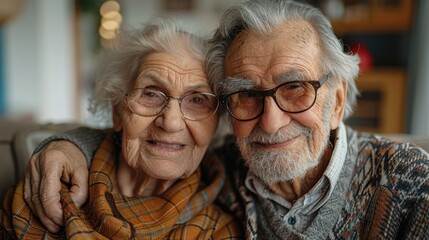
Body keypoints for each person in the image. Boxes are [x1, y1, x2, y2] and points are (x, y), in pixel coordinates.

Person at [19, 0, 429, 239]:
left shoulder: (410, 181)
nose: (269, 122)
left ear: (336, 101)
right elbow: (149, 139)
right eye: (246, 94)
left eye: (295, 88)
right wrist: (66, 145)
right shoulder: (227, 165)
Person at [0, 18, 242, 239]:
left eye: (197, 100)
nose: (171, 122)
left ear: (216, 125)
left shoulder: (218, 230)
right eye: (150, 94)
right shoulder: (47, 187)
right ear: (117, 111)